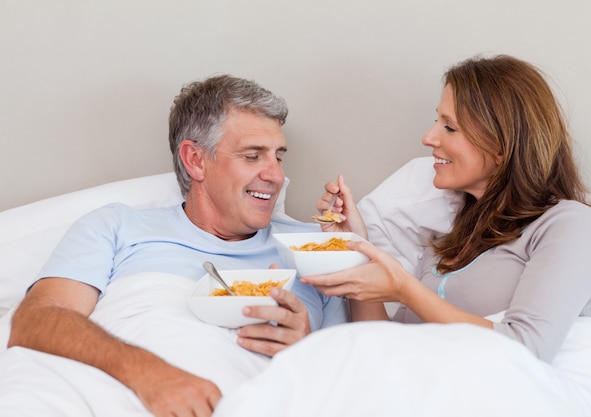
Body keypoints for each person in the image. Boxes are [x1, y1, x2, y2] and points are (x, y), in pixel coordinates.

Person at [7, 74, 347, 416]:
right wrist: (149, 374)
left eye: (278, 156)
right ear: (195, 160)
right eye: (253, 156)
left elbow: (357, 376)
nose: (275, 175)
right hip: (118, 391)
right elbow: (37, 320)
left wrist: (306, 349)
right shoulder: (117, 226)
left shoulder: (313, 250)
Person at [304, 54, 591, 363]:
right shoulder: (448, 243)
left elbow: (526, 350)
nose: (428, 137)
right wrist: (357, 249)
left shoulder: (569, 225)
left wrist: (404, 289)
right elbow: (386, 348)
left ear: (501, 144)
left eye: (449, 127)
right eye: (436, 120)